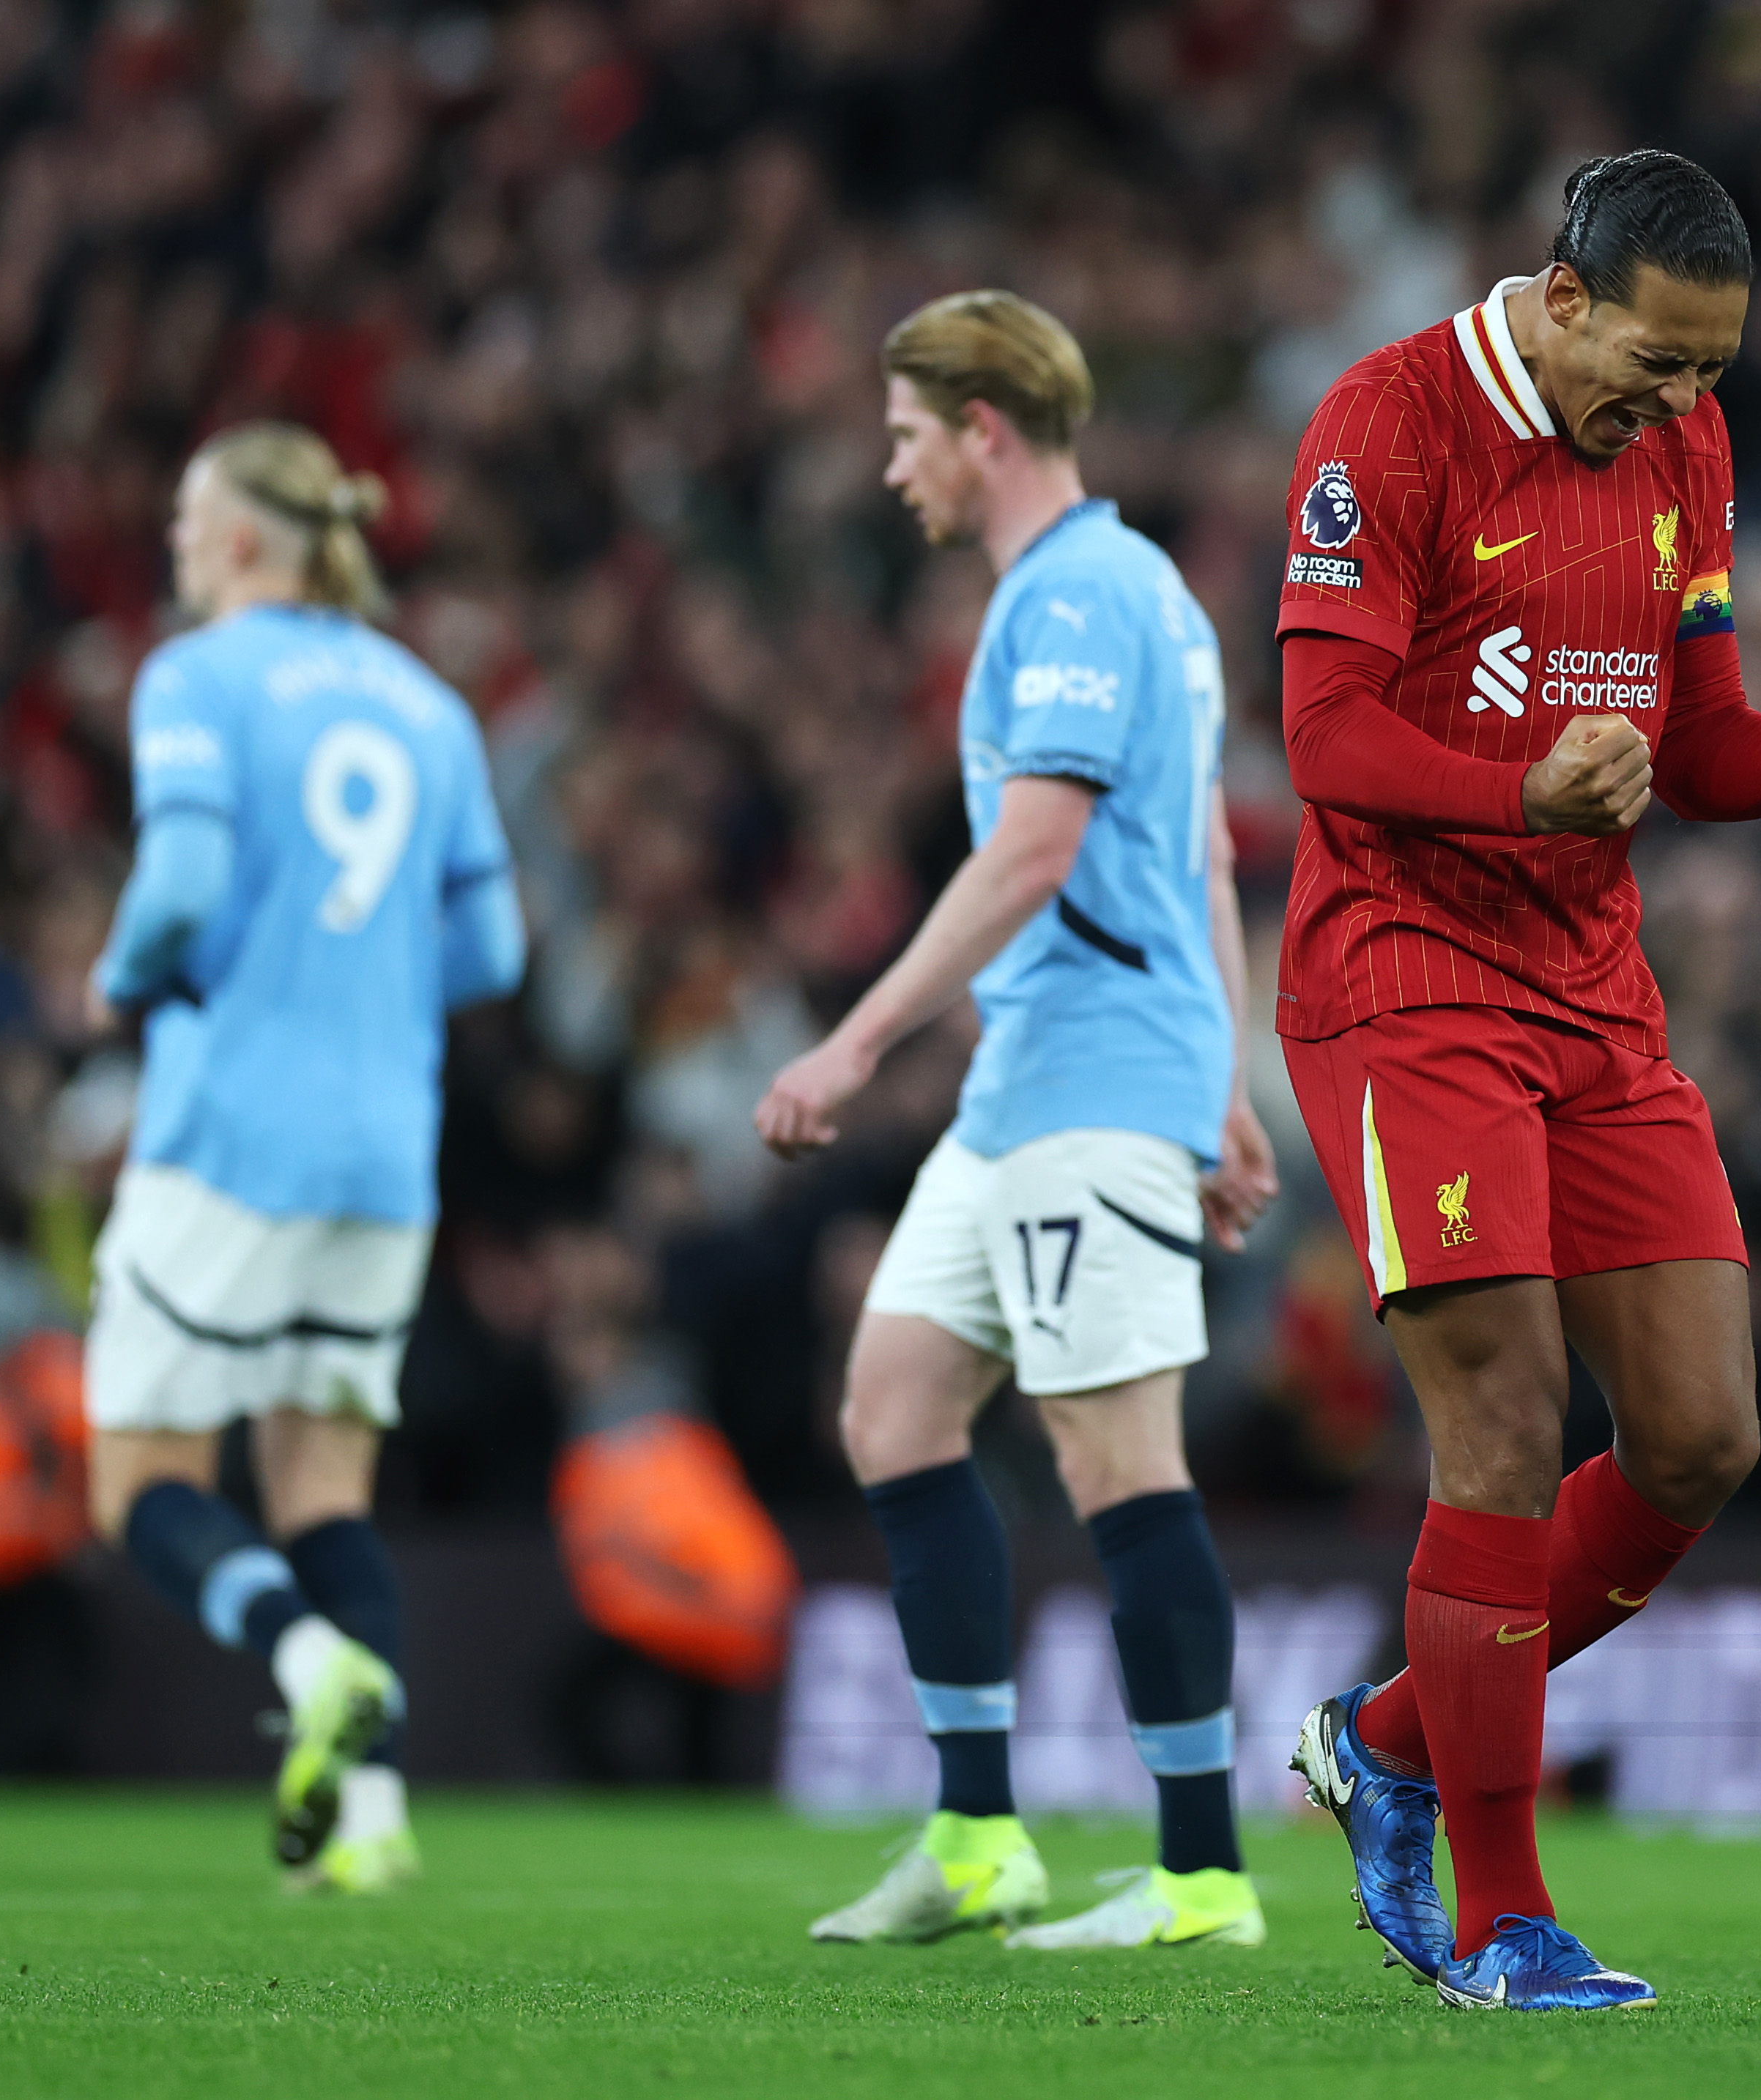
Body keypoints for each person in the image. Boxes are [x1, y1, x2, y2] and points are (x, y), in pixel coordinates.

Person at [1271, 150, 1761, 2011]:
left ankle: (1391, 1738)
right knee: (1497, 1421)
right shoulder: (1384, 424)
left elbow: (1700, 748)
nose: (1687, 406)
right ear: (1563, 299)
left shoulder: (1681, 453)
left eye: (1718, 371)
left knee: (1704, 1433)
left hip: (1590, 988)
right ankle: (1502, 1923)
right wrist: (1518, 791)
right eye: (1661, 360)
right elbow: (1321, 737)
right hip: (1403, 978)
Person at [755, 290, 1278, 1955]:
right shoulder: (1141, 595)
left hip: (1094, 1084)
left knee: (1116, 1458)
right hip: (1045, 1089)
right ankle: (980, 1836)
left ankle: (1202, 1872)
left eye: (907, 431)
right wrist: (1236, 1077)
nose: (890, 463)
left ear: (983, 430)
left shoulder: (1074, 597)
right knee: (896, 1405)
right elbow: (1196, 850)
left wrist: (848, 1046)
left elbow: (1040, 852)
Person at [83, 422, 527, 1891]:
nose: (172, 544)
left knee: (140, 1479)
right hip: (384, 1151)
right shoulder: (428, 705)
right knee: (323, 1485)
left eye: (184, 516)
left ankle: (306, 1654)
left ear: (243, 541)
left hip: (229, 1137)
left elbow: (186, 877)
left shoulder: (196, 677)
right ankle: (374, 1824)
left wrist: (126, 974)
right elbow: (491, 949)